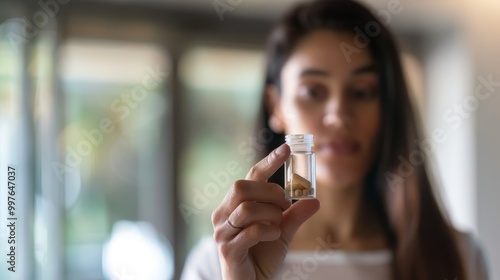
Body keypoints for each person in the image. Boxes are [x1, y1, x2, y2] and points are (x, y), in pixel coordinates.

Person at [181, 0, 489, 279]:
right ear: (276, 105)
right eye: (313, 91)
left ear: (388, 107)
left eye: (362, 92)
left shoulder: (457, 257)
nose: (339, 116)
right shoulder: (222, 261)